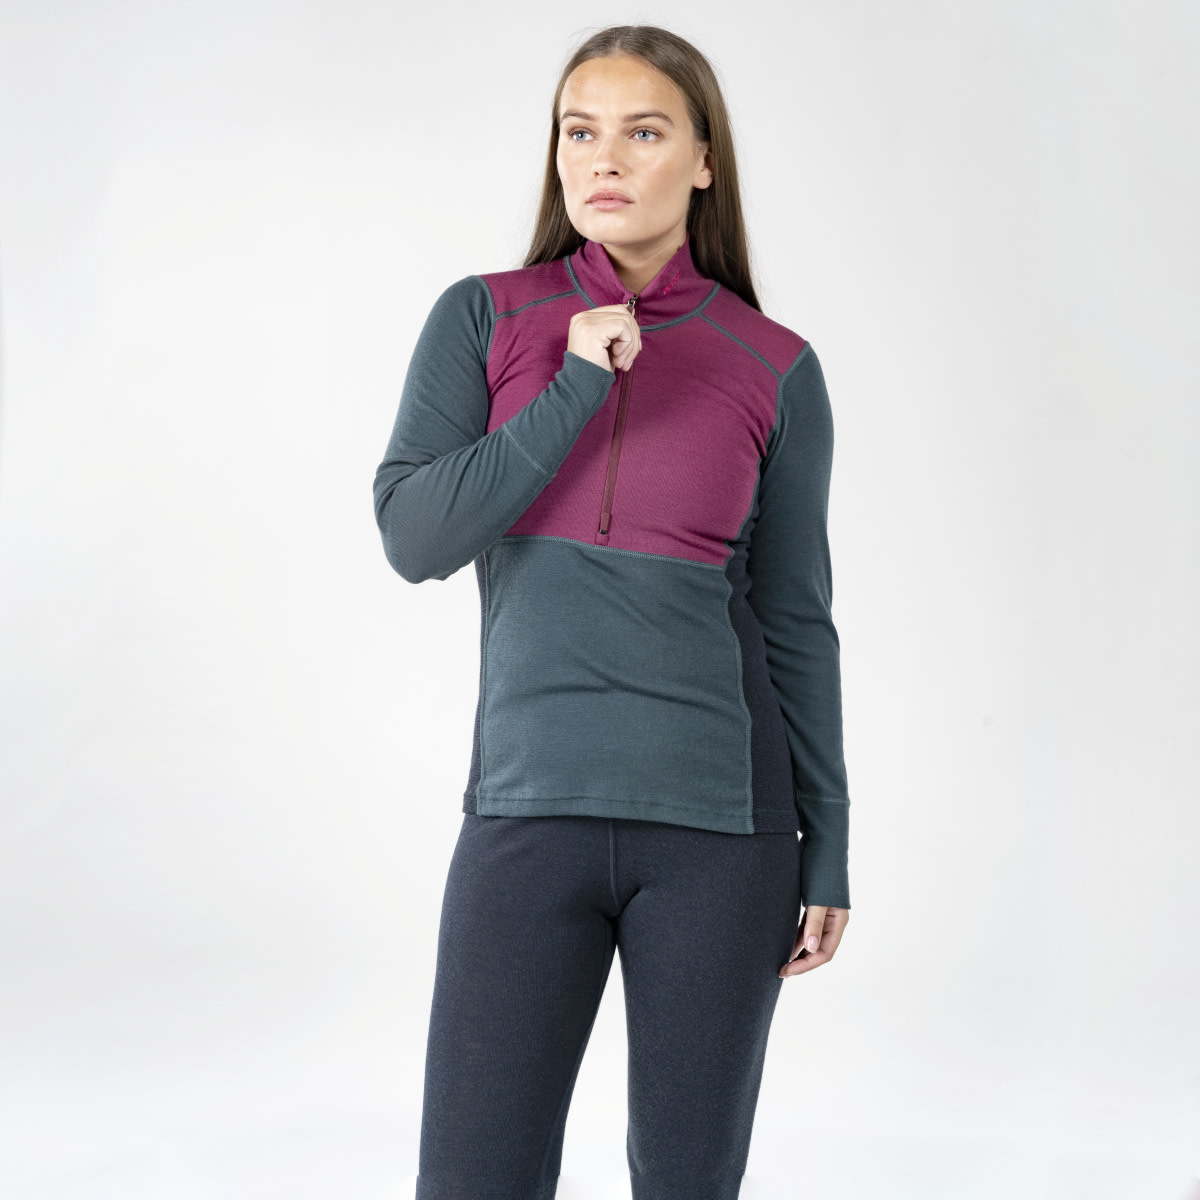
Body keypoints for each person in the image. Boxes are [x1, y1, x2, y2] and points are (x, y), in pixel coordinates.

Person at [373, 24, 851, 1200]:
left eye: (644, 132)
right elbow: (416, 539)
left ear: (702, 159)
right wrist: (577, 383)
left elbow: (796, 619)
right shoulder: (486, 319)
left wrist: (830, 845)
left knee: (687, 1180)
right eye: (580, 132)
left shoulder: (773, 365)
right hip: (524, 813)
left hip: (723, 835)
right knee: (471, 1178)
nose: (606, 158)